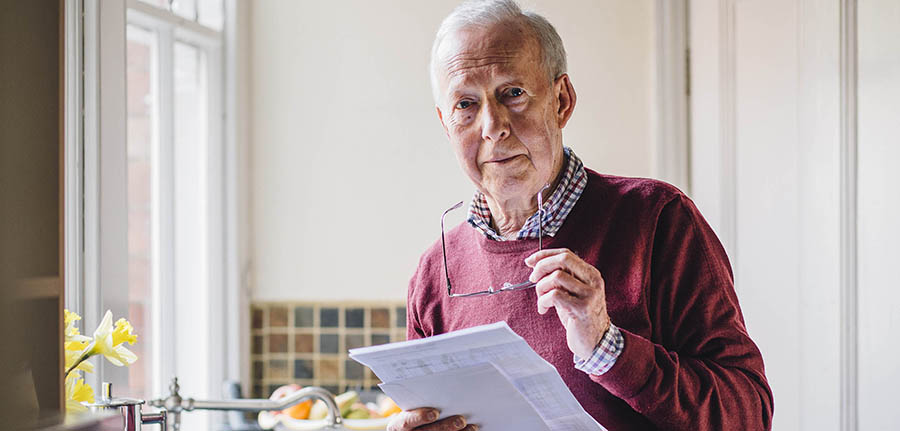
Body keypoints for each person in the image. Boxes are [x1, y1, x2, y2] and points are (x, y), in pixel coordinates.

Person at [387, 1, 773, 430]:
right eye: (465, 104)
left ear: (562, 100)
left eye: (512, 93)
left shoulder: (660, 220)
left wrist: (607, 345)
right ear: (446, 124)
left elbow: (749, 416)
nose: (492, 126)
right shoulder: (433, 273)